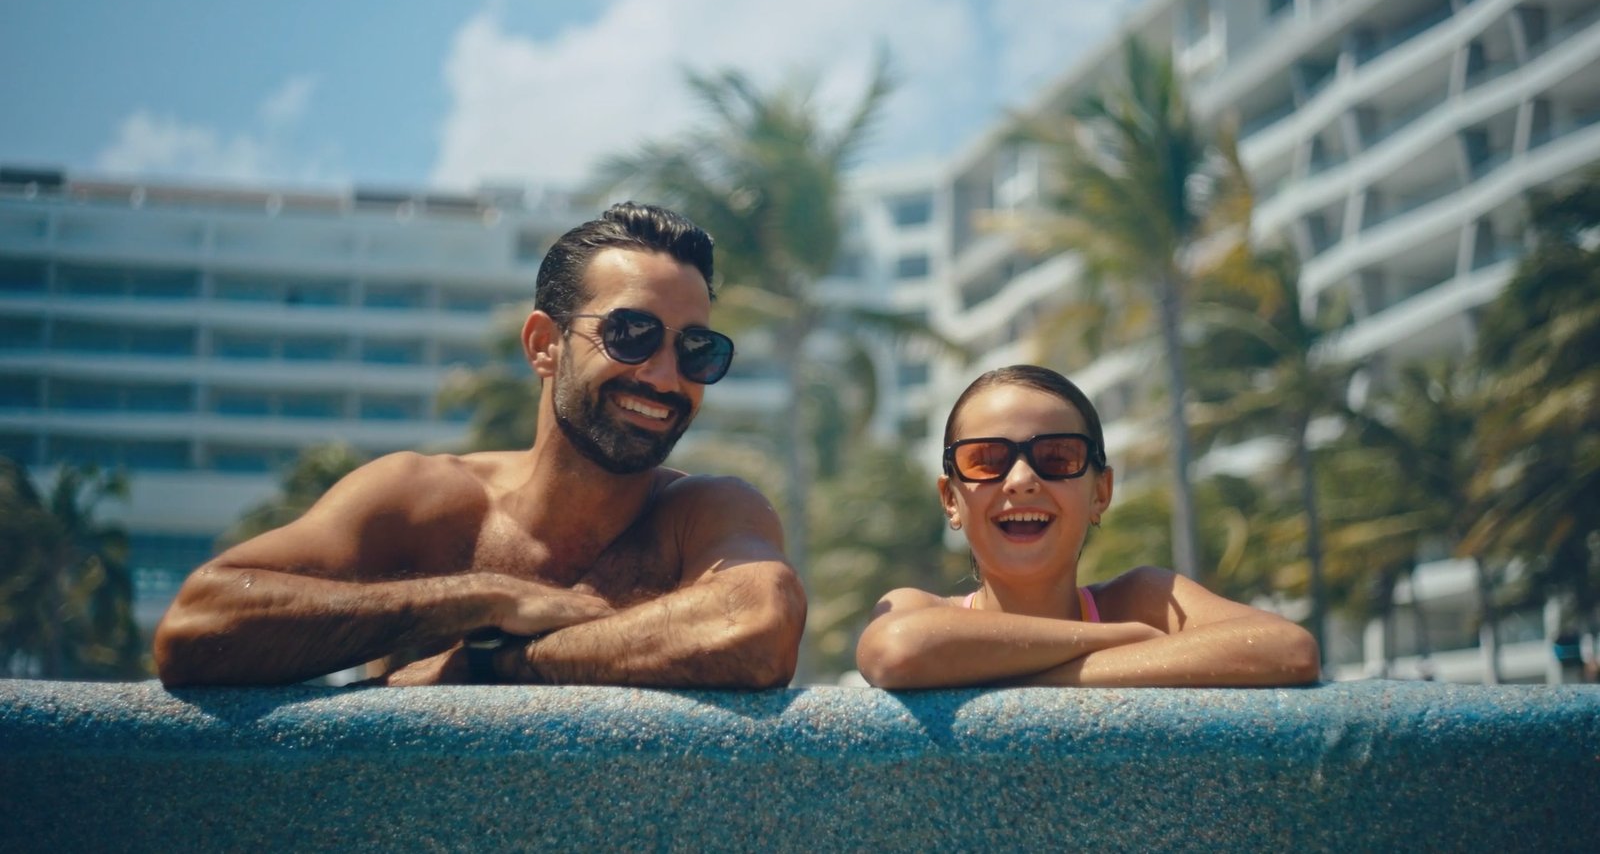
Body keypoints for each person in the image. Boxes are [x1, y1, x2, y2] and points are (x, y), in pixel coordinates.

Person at [155, 203, 806, 688]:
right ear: (543, 345)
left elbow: (758, 624)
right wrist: (481, 598)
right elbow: (196, 626)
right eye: (631, 334)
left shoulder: (704, 514)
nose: (664, 378)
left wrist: (490, 663)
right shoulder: (423, 501)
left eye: (696, 350)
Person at [855, 364, 1319, 688]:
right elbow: (895, 650)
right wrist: (1121, 639)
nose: (1021, 480)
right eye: (987, 460)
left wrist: (1035, 674)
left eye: (1057, 457)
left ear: (1101, 491)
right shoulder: (922, 609)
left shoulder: (1144, 600)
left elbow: (1288, 649)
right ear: (950, 500)